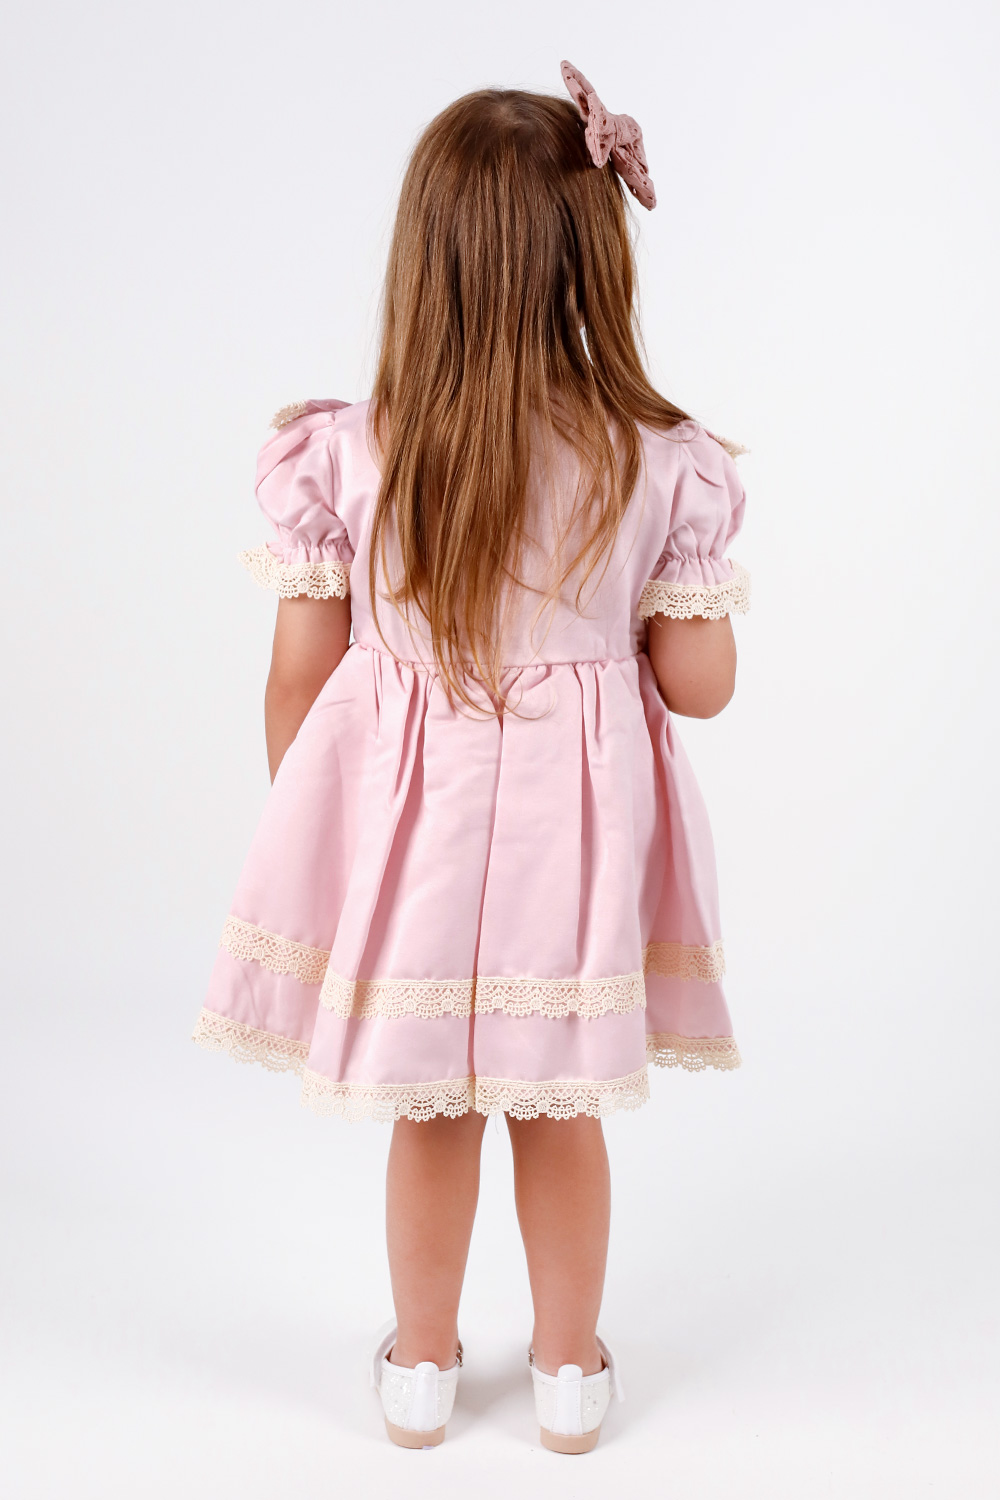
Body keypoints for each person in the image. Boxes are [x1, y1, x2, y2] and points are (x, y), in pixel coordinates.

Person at [193, 60, 750, 1454]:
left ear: (425, 256)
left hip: (414, 833)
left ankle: (422, 1369)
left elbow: (298, 679)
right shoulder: (654, 460)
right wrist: (651, 619)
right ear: (593, 258)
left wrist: (331, 839)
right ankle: (567, 1377)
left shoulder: (353, 455)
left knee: (431, 1105)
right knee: (558, 1105)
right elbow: (701, 687)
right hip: (579, 837)